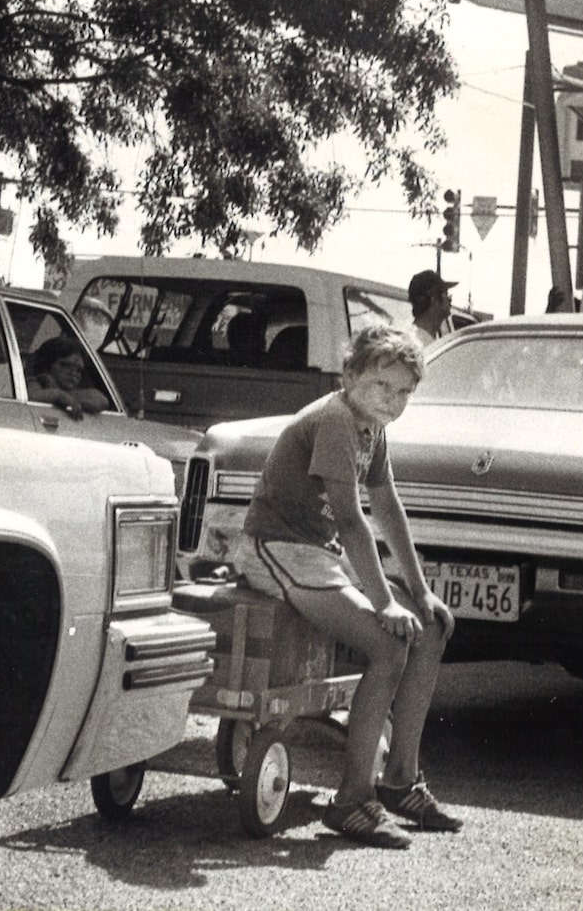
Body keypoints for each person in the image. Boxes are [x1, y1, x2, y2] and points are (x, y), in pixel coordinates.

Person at [233, 323, 461, 849]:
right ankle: (353, 801)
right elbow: (353, 520)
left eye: (404, 392)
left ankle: (400, 779)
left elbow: (388, 506)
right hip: (278, 549)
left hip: (321, 554)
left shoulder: (369, 426)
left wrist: (419, 593)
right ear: (350, 374)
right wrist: (384, 602)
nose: (393, 400)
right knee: (387, 643)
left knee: (428, 629)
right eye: (383, 386)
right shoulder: (335, 420)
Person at [26, 336, 109, 420]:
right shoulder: (36, 382)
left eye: (78, 370)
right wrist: (59, 395)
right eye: (65, 365)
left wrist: (65, 396)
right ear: (47, 365)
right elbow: (30, 397)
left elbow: (102, 401)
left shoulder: (75, 390)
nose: (73, 373)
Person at [407, 269, 456, 347]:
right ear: (434, 299)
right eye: (446, 293)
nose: (450, 299)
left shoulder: (411, 338)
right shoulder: (422, 344)